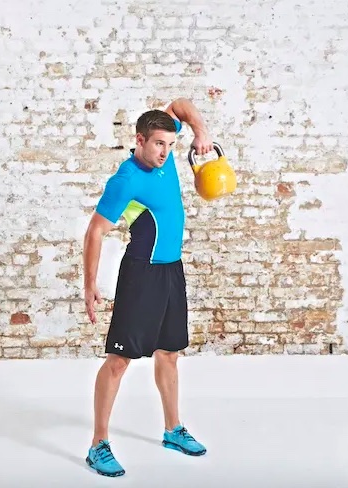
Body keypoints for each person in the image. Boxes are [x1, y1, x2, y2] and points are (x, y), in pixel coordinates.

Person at [82, 98, 213, 477]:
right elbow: (95, 231)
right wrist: (89, 286)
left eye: (170, 145)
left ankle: (173, 429)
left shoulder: (166, 156)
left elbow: (179, 105)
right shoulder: (126, 179)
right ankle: (98, 444)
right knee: (119, 360)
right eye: (158, 144)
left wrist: (201, 132)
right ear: (139, 140)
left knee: (169, 353)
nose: (165, 152)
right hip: (141, 275)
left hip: (171, 271)